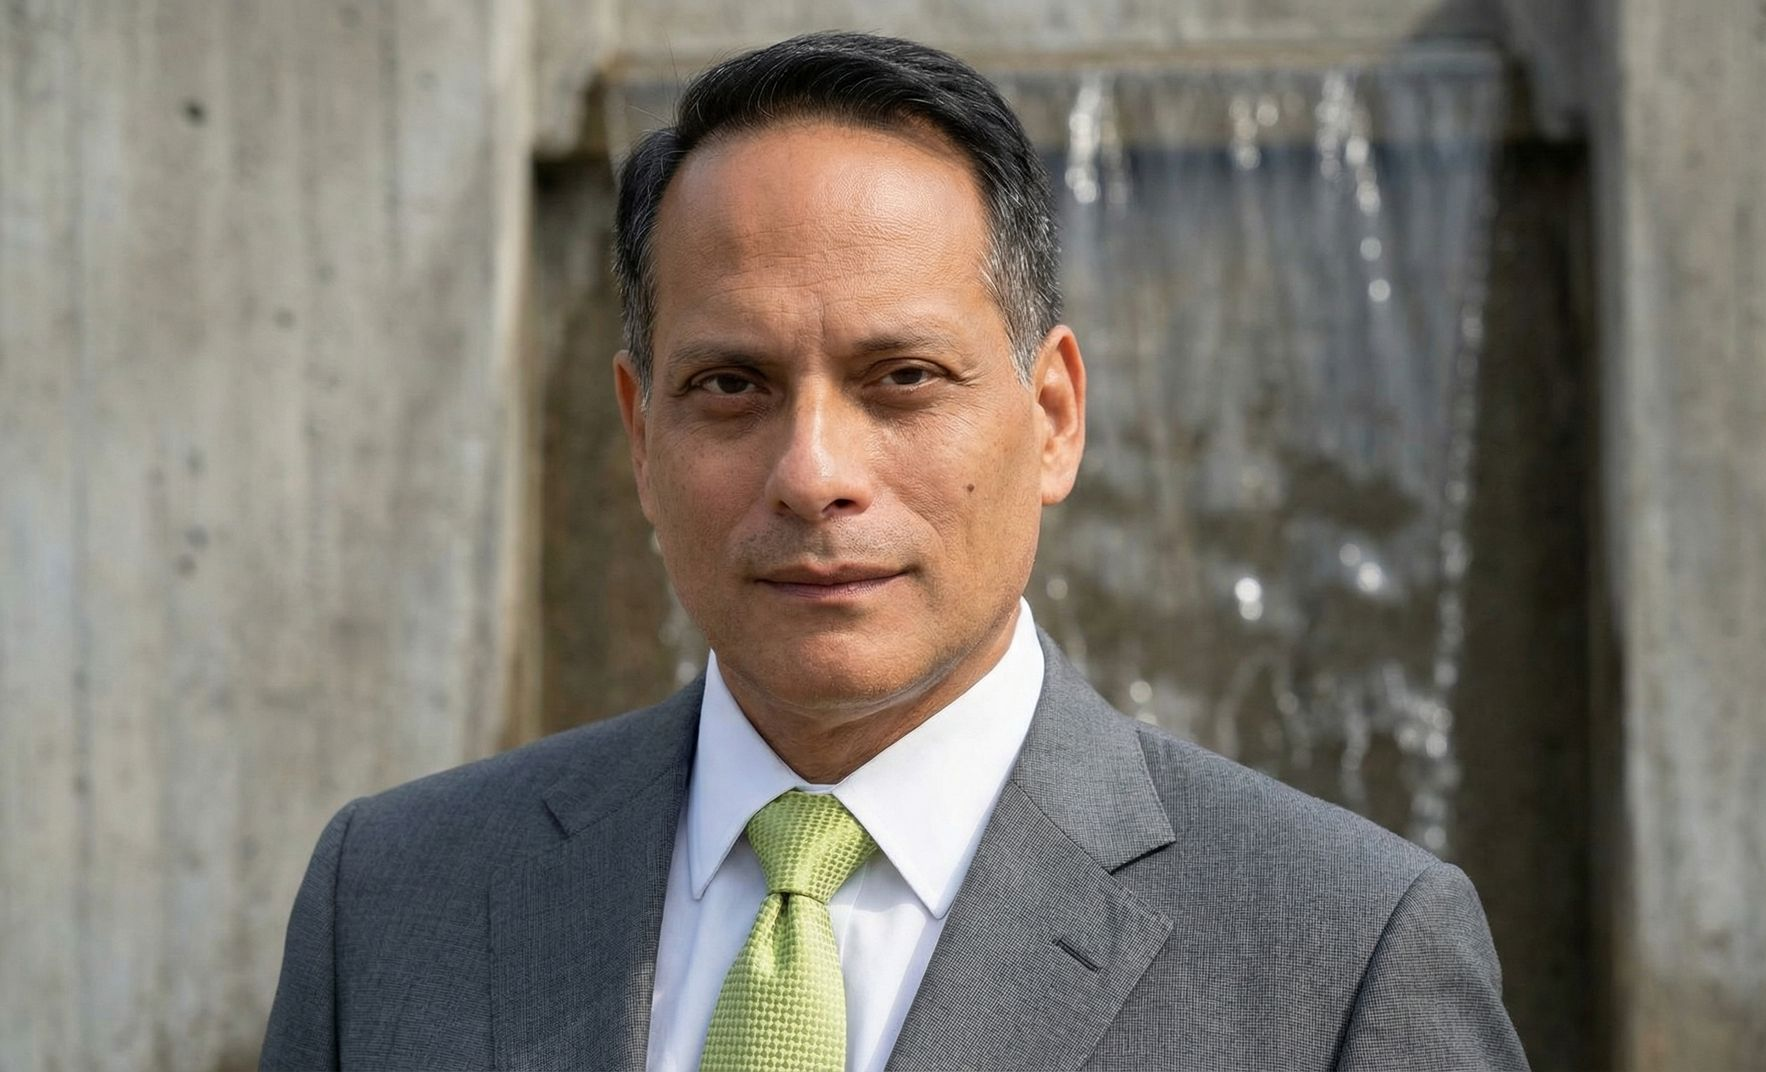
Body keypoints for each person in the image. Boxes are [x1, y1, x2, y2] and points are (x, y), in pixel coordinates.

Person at [261, 31, 1528, 1072]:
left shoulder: (1341, 953)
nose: (814, 472)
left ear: (1051, 417)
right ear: (639, 434)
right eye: (730, 385)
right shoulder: (391, 902)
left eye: (902, 378)